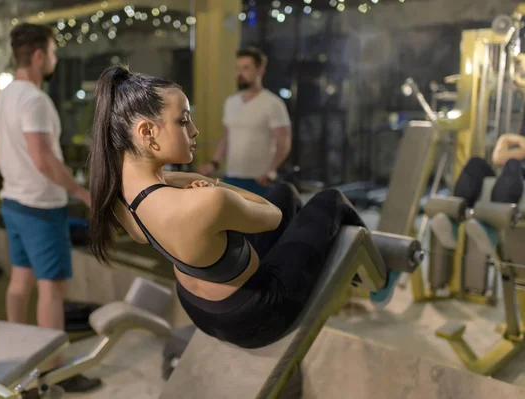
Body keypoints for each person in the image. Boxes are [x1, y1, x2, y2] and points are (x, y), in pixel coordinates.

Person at [87, 65, 400, 350]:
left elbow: (169, 186)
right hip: (257, 316)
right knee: (330, 200)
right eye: (183, 120)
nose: (194, 130)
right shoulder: (206, 201)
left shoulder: (118, 198)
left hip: (198, 309)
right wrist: (213, 186)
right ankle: (381, 279)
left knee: (286, 192)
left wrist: (194, 179)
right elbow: (271, 216)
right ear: (146, 132)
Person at [0, 23, 101, 393]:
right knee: (51, 290)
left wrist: (18, 178)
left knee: (20, 282)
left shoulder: (0, 100)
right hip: (40, 207)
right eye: (52, 52)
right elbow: (43, 159)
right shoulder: (35, 100)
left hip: (13, 203)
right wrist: (82, 194)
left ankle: (19, 367)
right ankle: (55, 372)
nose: (55, 58)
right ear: (38, 56)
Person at [196, 47, 292, 197]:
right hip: (232, 177)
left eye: (246, 68)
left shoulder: (273, 103)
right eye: (238, 68)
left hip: (260, 180)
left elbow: (283, 142)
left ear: (260, 71)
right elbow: (226, 138)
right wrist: (213, 163)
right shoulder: (231, 102)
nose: (240, 73)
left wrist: (271, 170)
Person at [430, 133, 525, 255]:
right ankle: (452, 221)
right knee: (475, 164)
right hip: (511, 174)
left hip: (516, 175)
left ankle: (491, 230)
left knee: (512, 164)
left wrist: (516, 146)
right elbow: (497, 158)